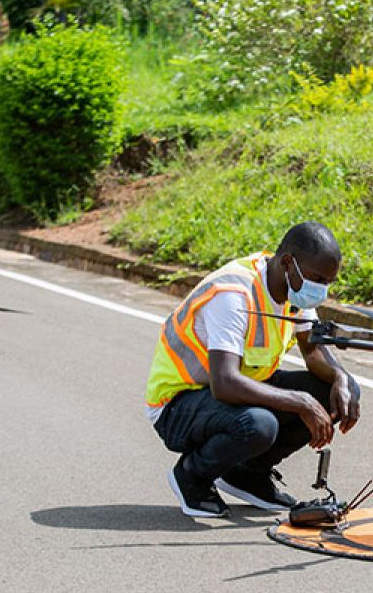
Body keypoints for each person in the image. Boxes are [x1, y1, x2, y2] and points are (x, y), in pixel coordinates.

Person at [144, 221, 361, 518]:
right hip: (179, 403)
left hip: (235, 394)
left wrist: (341, 378)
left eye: (328, 283)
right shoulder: (233, 293)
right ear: (288, 263)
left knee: (335, 391)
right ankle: (192, 477)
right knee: (260, 425)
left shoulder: (292, 289)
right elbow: (225, 383)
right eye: (317, 279)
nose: (321, 290)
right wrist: (302, 403)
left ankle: (247, 474)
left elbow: (312, 350)